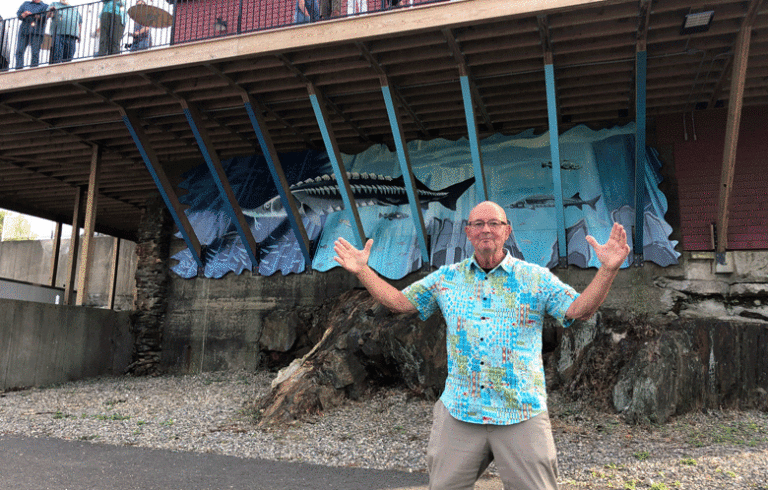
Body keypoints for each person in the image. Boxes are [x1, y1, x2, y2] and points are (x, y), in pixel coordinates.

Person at [333, 200, 630, 490]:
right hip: (461, 411)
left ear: (507, 230)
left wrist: (607, 270)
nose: (486, 229)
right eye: (478, 223)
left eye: (494, 223)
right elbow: (399, 301)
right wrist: (362, 271)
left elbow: (580, 309)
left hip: (520, 411)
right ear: (468, 232)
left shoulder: (535, 279)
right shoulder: (446, 279)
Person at [14, 0, 49, 69]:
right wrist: (23, 14)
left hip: (37, 32)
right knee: (19, 51)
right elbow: (19, 15)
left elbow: (45, 17)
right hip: (24, 31)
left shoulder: (45, 6)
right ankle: (19, 69)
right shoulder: (26, 3)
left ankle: (33, 69)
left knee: (35, 52)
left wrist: (34, 15)